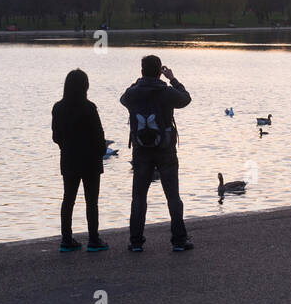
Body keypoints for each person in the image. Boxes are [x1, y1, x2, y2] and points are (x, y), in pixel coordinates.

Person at [122, 54, 193, 252]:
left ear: (142, 70)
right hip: (166, 150)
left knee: (138, 198)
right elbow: (186, 99)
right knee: (173, 196)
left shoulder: (133, 93)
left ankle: (136, 242)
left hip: (141, 151)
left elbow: (123, 98)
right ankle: (179, 241)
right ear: (160, 71)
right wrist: (172, 78)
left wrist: (139, 82)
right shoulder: (167, 92)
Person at [51, 68, 108, 252]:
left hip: (68, 159)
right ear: (86, 86)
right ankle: (93, 239)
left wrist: (65, 147)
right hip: (90, 160)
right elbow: (99, 135)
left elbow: (56, 136)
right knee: (92, 201)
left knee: (68, 199)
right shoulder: (89, 107)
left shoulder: (58, 108)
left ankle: (66, 239)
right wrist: (101, 151)